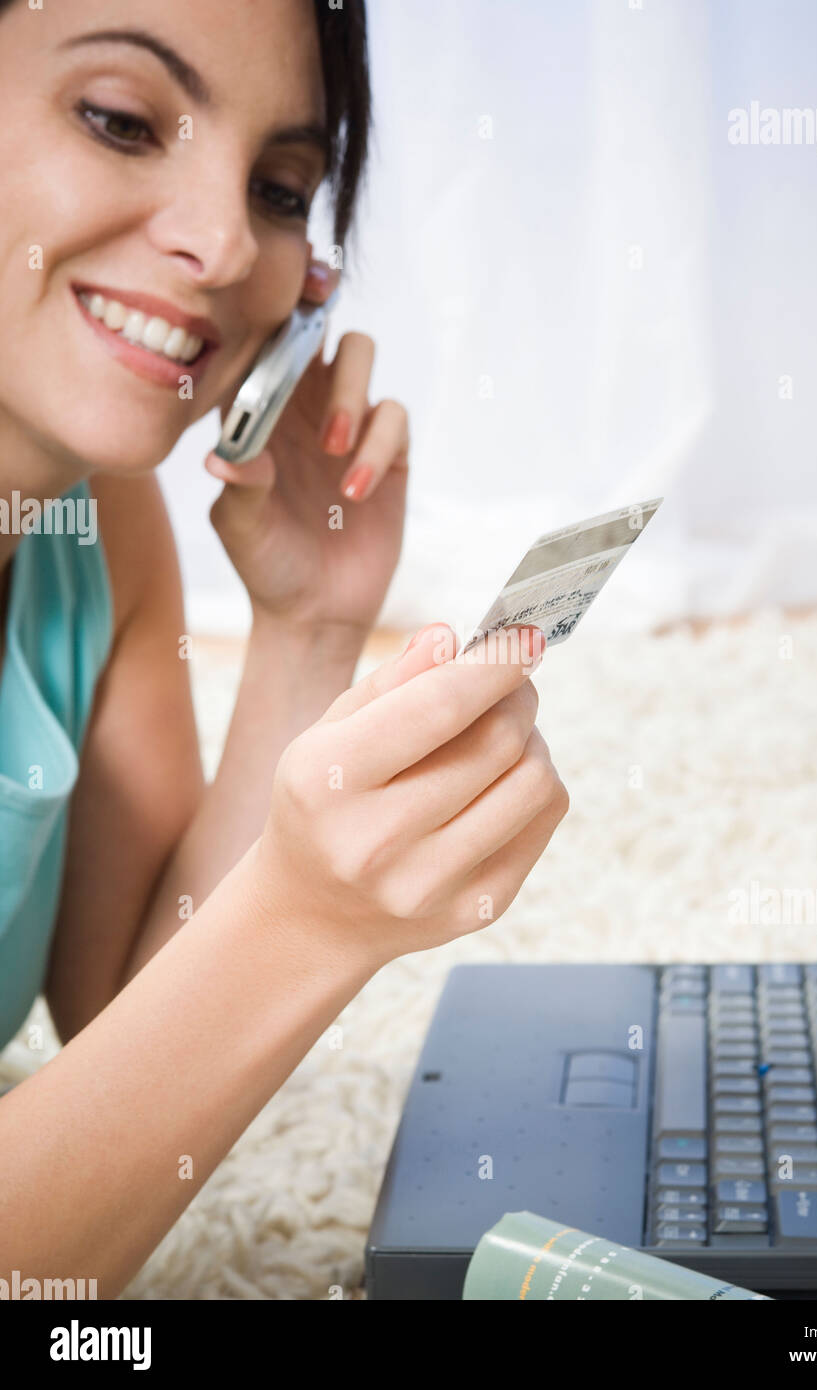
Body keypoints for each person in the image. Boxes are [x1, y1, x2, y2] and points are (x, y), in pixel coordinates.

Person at [0, 0, 568, 1299]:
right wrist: (304, 923)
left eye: (277, 186)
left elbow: (129, 1010)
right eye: (121, 121)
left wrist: (309, 622)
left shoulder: (94, 520)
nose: (216, 246)